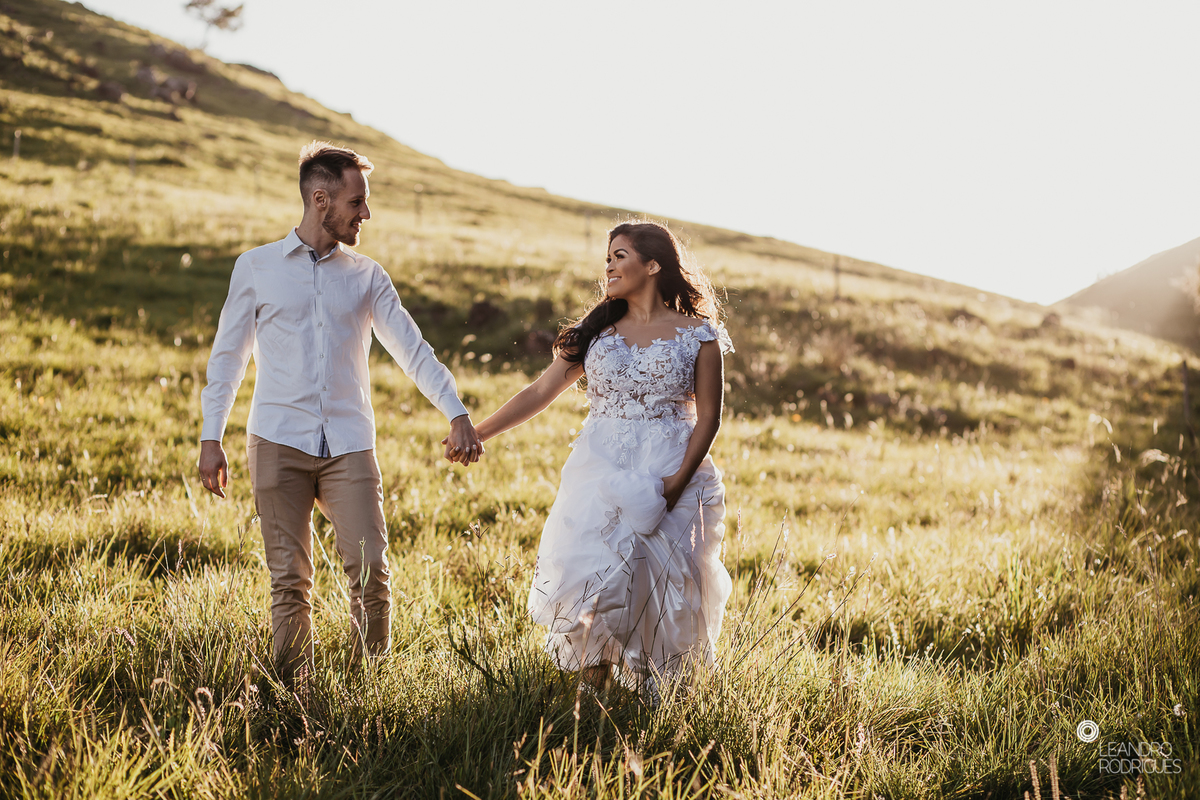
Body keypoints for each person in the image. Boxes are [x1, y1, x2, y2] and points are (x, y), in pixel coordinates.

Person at [198, 141, 483, 688]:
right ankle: (293, 697)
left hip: (349, 446)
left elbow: (412, 349)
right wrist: (213, 437)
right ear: (320, 199)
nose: (366, 214)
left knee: (372, 573)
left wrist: (456, 410)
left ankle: (368, 693)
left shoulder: (367, 276)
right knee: (289, 581)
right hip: (276, 441)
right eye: (358, 202)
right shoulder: (255, 268)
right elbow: (228, 358)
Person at [465, 220, 733, 699]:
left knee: (662, 583)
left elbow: (709, 419)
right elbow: (541, 391)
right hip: (599, 468)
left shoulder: (700, 336)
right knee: (592, 572)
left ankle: (653, 696)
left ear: (653, 265)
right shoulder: (597, 333)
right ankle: (592, 697)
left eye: (620, 255)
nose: (608, 265)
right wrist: (479, 431)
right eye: (607, 256)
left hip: (671, 466)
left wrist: (673, 485)